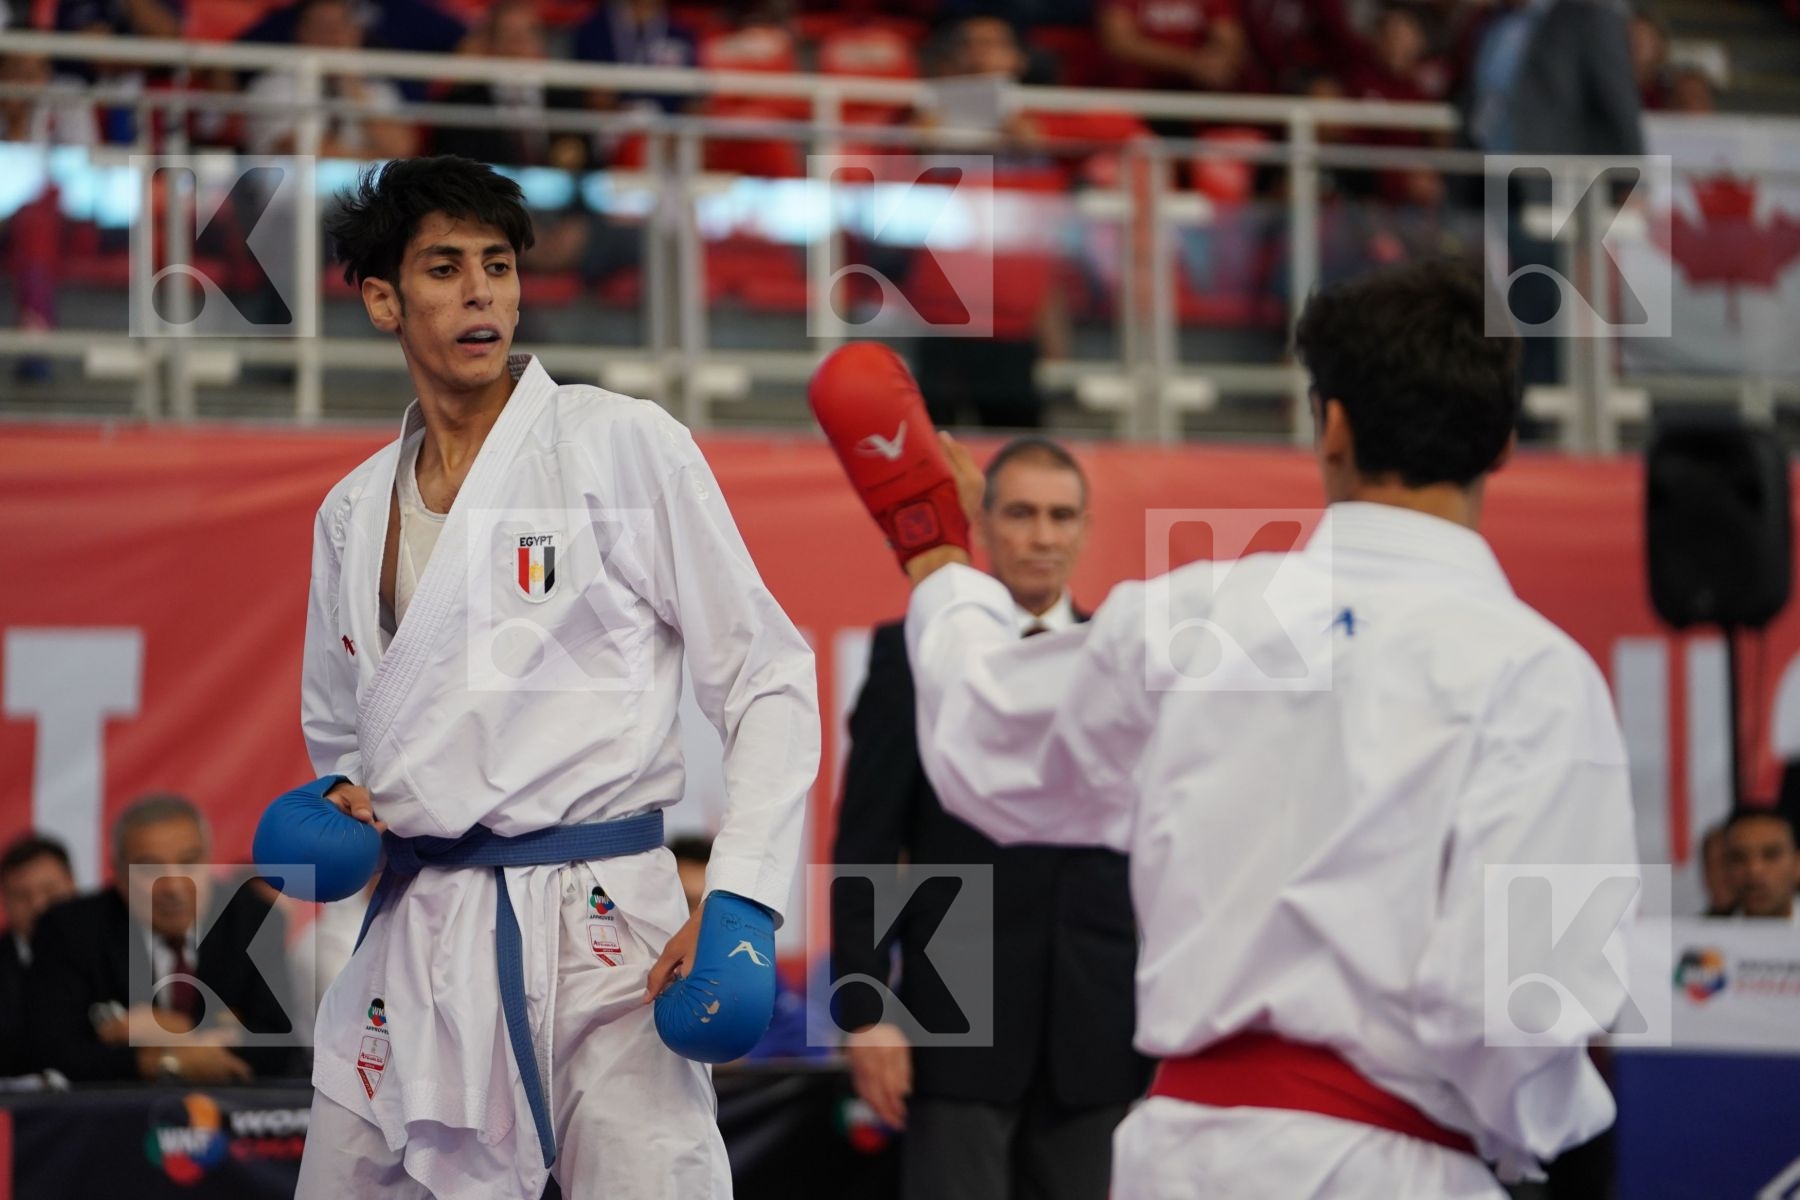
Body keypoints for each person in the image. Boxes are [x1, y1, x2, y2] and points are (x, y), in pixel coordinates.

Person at [812, 258, 1639, 1197]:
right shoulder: (1543, 679)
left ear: (1328, 425)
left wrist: (938, 559)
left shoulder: (1189, 618)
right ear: (1502, 445)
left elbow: (987, 747)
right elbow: (1529, 1004)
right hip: (1402, 1160)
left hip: (1181, 1153)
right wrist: (1519, 1140)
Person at [293, 155, 819, 1200]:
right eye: (444, 268)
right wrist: (340, 804)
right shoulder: (351, 513)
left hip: (602, 933)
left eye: (498, 264)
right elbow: (342, 734)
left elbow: (768, 675)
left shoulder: (619, 446)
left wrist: (745, 901)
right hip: (419, 933)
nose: (483, 290)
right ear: (383, 298)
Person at [833, 435, 1148, 1200]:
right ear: (983, 521)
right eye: (1021, 513)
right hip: (954, 1007)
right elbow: (869, 842)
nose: (1043, 535)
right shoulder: (914, 654)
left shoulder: (1127, 656)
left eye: (1062, 515)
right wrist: (866, 1006)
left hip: (1101, 1023)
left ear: (1084, 526)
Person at [23, 794, 299, 1083]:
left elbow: (277, 1046)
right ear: (118, 874)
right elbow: (54, 1052)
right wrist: (165, 1061)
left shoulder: (254, 920)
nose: (175, 887)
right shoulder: (69, 930)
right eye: (151, 868)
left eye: (189, 862)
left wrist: (180, 1031)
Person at [243, 0, 418, 159]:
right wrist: (372, 158)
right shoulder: (271, 84)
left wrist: (353, 88)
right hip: (290, 190)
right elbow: (304, 149)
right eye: (322, 27)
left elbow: (401, 148)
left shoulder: (376, 87)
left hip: (363, 188)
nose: (333, 37)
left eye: (340, 27)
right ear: (301, 33)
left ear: (356, 33)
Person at [0, 834, 76, 1076]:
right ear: (5, 901)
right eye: (22, 896)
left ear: (72, 885)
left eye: (50, 891)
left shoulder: (111, 951)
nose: (38, 906)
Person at [1721, 808, 1800, 922]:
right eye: (1739, 857)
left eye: (1771, 855)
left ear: (1797, 863)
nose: (1754, 870)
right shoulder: (1705, 934)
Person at [1699, 820, 1736, 916]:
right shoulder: (1694, 928)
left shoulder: (1767, 923)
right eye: (1709, 866)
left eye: (1724, 863)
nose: (1717, 876)